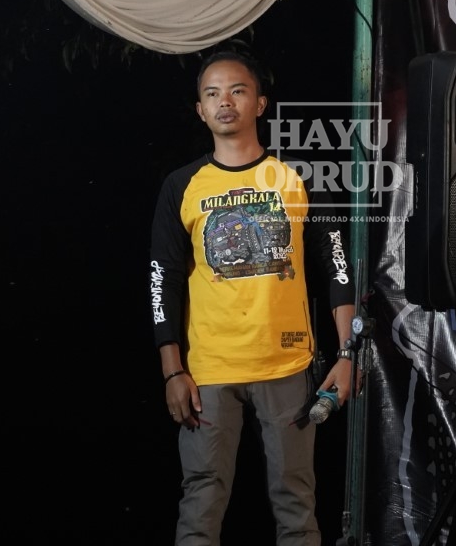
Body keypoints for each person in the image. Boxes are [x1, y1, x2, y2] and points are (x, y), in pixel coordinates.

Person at [148, 49, 356, 545]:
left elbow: (337, 266)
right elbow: (162, 280)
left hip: (286, 365)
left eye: (237, 91)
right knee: (201, 501)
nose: (225, 102)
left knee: (296, 503)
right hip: (208, 372)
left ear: (259, 103)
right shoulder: (182, 185)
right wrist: (172, 371)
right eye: (213, 93)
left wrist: (348, 354)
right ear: (200, 109)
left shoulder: (298, 177)